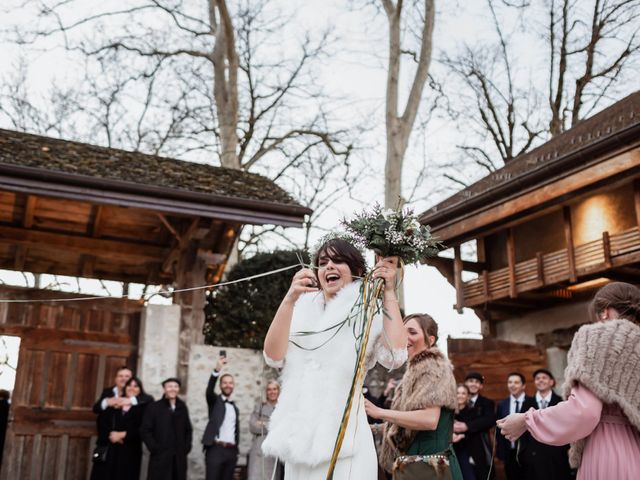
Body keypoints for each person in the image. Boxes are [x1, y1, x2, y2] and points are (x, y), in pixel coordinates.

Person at [262, 237, 408, 479]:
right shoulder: (301, 307)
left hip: (345, 430)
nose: (329, 266)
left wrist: (390, 291)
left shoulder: (368, 309)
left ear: (357, 271)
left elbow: (396, 356)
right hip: (299, 431)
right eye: (323, 261)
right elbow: (272, 356)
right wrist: (289, 299)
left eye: (338, 260)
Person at [497, 282, 640, 480]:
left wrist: (526, 420)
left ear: (604, 312)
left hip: (605, 454)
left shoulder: (598, 338)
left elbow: (585, 412)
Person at [366, 313, 463, 479]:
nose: (406, 337)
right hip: (416, 466)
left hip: (432, 468)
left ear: (430, 340)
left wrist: (379, 412)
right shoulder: (414, 372)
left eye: (412, 332)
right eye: (403, 332)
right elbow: (406, 425)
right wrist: (372, 429)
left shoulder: (433, 367)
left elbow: (429, 420)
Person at [90, 377, 151, 480]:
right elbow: (102, 422)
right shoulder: (115, 403)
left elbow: (145, 428)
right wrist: (112, 434)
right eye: (129, 385)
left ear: (140, 389)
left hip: (130, 450)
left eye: (136, 386)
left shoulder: (145, 407)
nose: (132, 388)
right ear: (125, 388)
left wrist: (124, 434)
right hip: (110, 448)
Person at [518, 368, 571, 480]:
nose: (540, 380)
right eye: (537, 378)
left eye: (544, 378)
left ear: (551, 382)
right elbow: (523, 430)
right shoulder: (526, 403)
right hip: (533, 457)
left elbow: (567, 426)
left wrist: (564, 449)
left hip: (557, 455)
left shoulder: (561, 402)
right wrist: (525, 453)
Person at [140, 378, 193, 480]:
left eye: (175, 386)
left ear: (178, 389)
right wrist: (154, 448)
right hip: (160, 457)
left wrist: (186, 447)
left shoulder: (182, 407)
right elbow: (145, 430)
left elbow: (188, 429)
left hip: (179, 457)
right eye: (169, 386)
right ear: (164, 389)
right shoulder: (154, 407)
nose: (172, 389)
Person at [202, 355, 240, 480]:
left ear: (233, 386)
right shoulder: (214, 401)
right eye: (225, 383)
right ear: (220, 385)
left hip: (231, 451)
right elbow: (208, 391)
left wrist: (235, 451)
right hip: (215, 449)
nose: (228, 385)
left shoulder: (234, 408)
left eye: (230, 383)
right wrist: (217, 370)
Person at [454, 372, 495, 480]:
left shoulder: (486, 403)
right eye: (471, 381)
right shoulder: (452, 408)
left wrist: (466, 426)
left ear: (481, 386)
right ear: (466, 383)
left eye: (477, 382)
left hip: (478, 446)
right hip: (458, 448)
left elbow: (489, 420)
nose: (473, 384)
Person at [496, 372, 531, 480]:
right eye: (510, 382)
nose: (512, 385)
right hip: (509, 453)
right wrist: (501, 453)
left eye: (516, 382)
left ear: (523, 385)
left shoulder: (532, 402)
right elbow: (499, 429)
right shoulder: (502, 404)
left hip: (528, 453)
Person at [248, 380, 283, 480]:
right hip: (259, 451)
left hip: (275, 453)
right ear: (266, 392)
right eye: (269, 389)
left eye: (274, 389)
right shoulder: (260, 407)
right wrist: (273, 426)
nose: (272, 392)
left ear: (279, 391)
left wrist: (263, 423)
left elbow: (284, 428)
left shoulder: (282, 408)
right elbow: (253, 426)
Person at [453, 384, 476, 480]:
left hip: (467, 450)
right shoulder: (449, 411)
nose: (460, 395)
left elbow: (475, 432)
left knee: (468, 475)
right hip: (451, 449)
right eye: (458, 393)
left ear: (468, 396)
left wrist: (462, 436)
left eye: (463, 393)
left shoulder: (472, 411)